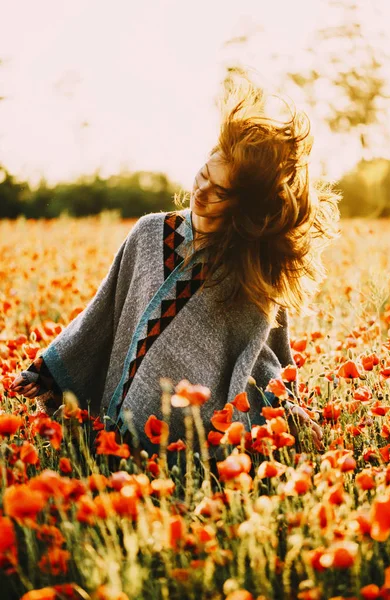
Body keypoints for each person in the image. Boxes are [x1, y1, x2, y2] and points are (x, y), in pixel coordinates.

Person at [10, 70, 340, 464]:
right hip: (127, 416)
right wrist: (49, 369)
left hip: (195, 436)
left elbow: (259, 357)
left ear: (243, 204)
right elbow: (103, 315)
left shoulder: (251, 269)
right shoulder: (150, 233)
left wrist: (284, 410)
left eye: (219, 191)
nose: (201, 190)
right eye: (203, 175)